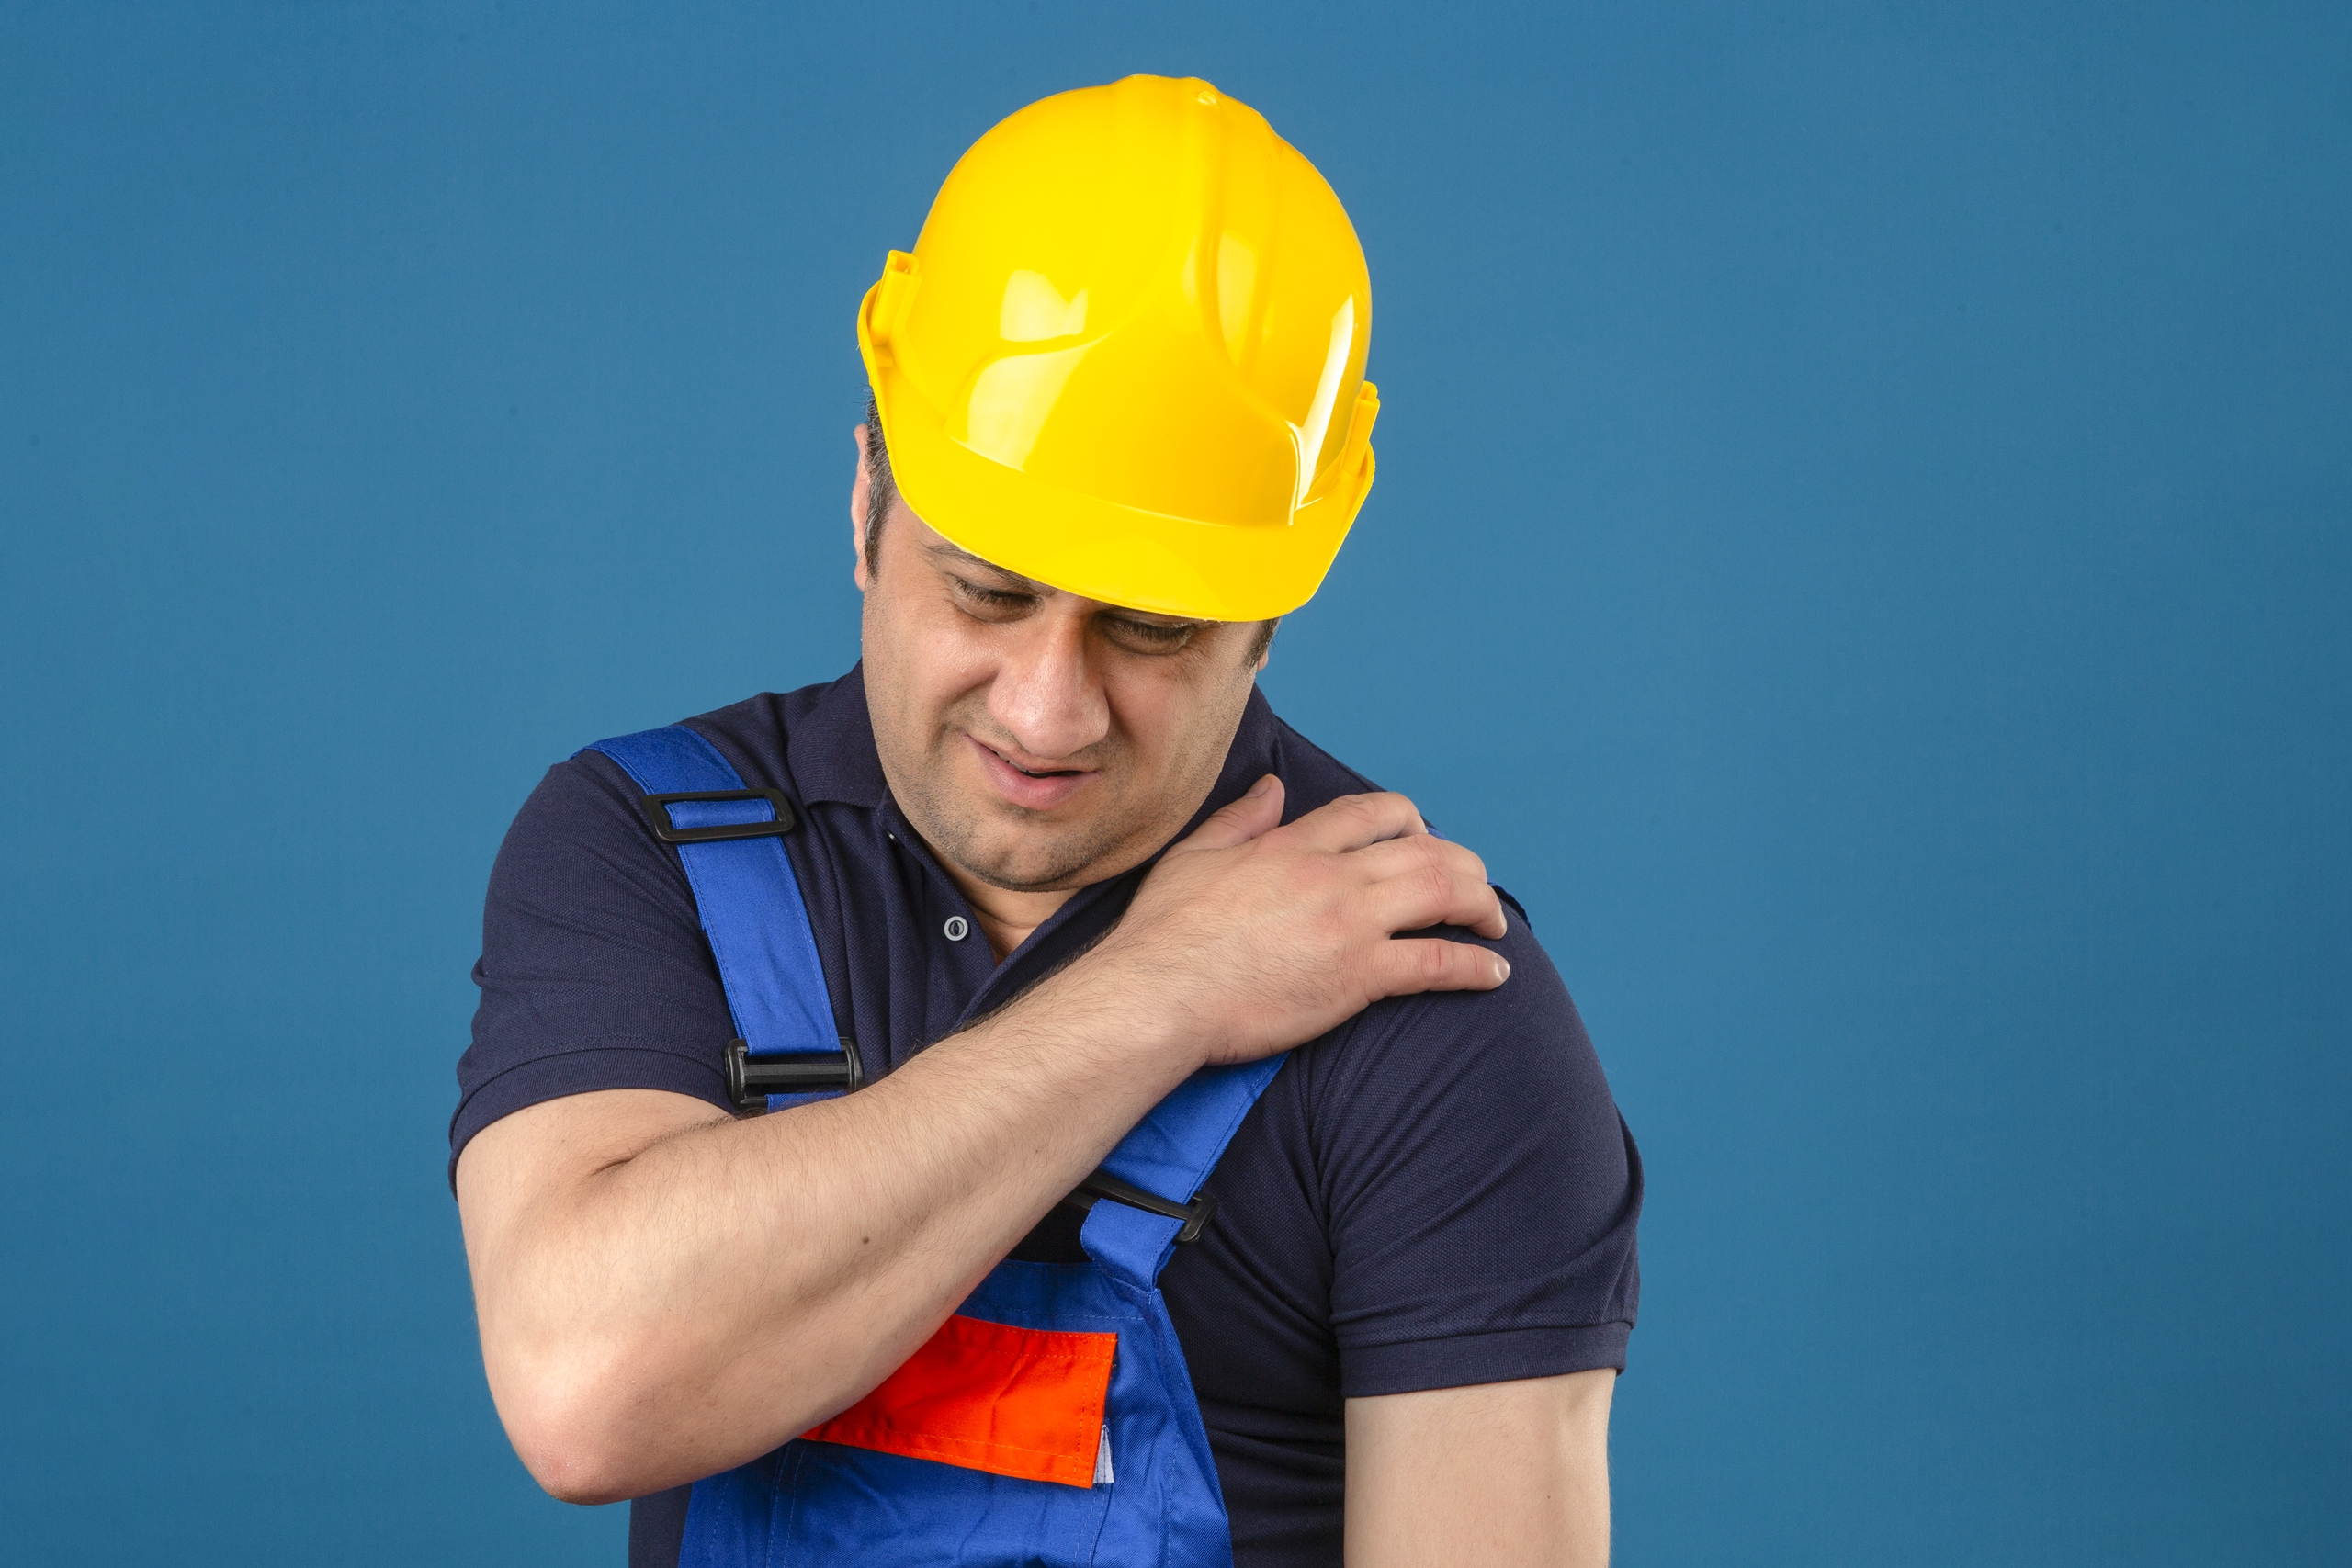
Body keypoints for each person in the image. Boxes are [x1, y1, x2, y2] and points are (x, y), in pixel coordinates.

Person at [451, 75, 1641, 1568]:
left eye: (1149, 629)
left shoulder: (1428, 1001)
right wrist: (1165, 991)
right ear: (869, 492)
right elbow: (586, 1387)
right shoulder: (647, 852)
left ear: (1269, 608)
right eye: (988, 591)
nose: (1046, 709)